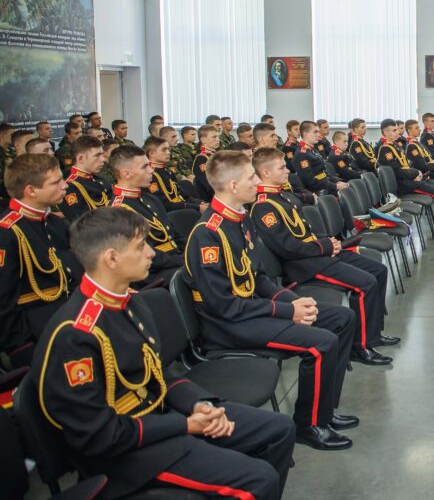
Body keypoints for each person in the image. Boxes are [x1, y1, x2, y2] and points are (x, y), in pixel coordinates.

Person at [31, 208, 295, 499]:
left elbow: (156, 372)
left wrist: (198, 403)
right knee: (259, 480)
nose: (151, 253)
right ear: (111, 258)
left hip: (161, 418)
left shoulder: (129, 301)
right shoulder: (74, 335)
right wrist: (184, 425)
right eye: (140, 246)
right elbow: (99, 435)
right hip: (126, 456)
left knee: (279, 429)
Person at [183, 150, 358, 451]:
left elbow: (259, 277)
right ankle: (310, 425)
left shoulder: (239, 219)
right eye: (251, 177)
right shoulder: (207, 235)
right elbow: (224, 306)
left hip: (252, 311)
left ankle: (324, 411)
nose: (257, 182)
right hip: (229, 326)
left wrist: (294, 301)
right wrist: (287, 311)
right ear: (233, 186)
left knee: (342, 318)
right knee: (322, 344)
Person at [251, 148, 397, 366]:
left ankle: (372, 334)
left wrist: (329, 241)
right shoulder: (263, 206)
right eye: (281, 167)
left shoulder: (282, 196)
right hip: (304, 266)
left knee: (379, 270)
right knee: (365, 284)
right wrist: (324, 246)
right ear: (266, 172)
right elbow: (286, 247)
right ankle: (361, 346)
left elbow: (304, 231)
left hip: (318, 254)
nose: (287, 171)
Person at [0, 154, 77, 365]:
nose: (65, 186)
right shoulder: (7, 233)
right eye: (56, 182)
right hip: (37, 333)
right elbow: (3, 301)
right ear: (31, 191)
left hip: (66, 319)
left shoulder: (53, 222)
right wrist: (21, 347)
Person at [107, 145, 186, 285]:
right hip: (151, 273)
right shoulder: (119, 210)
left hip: (173, 261)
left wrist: (190, 252)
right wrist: (182, 260)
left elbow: (173, 234)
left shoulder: (150, 198)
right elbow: (141, 253)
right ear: (126, 174)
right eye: (144, 167)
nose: (151, 170)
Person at [377, 119, 434, 239]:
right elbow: (397, 171)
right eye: (394, 130)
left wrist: (418, 173)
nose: (398, 132)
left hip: (410, 180)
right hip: (403, 185)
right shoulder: (385, 150)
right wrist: (415, 173)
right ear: (386, 132)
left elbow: (407, 164)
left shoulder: (394, 146)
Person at [144, 135, 204, 212]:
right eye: (164, 150)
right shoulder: (151, 175)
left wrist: (200, 203)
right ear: (151, 153)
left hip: (181, 207)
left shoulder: (167, 171)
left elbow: (182, 195)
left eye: (168, 149)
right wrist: (197, 207)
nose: (168, 152)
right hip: (171, 213)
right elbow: (165, 205)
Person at [63, 136, 112, 222]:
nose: (103, 159)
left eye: (102, 155)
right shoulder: (71, 187)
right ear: (81, 158)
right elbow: (81, 222)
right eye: (97, 155)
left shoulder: (99, 179)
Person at [291, 121, 348, 195]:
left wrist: (337, 181)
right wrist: (335, 186)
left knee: (348, 188)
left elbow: (323, 173)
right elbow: (311, 181)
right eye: (315, 132)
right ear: (305, 134)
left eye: (318, 132)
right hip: (317, 192)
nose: (318, 134)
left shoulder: (312, 149)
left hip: (325, 185)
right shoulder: (302, 154)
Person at [192, 123, 220, 201]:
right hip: (211, 199)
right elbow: (209, 185)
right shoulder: (202, 158)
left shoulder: (215, 155)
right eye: (214, 137)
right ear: (203, 140)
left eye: (218, 136)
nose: (218, 139)